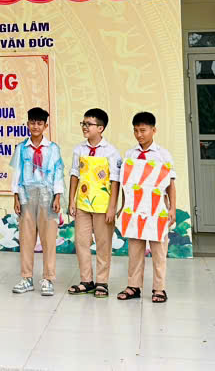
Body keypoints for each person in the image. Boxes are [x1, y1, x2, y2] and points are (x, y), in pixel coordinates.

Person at [118, 111, 176, 304]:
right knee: (135, 249)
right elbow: (126, 184)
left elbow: (171, 184)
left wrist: (172, 208)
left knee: (159, 251)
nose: (139, 135)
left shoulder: (163, 155)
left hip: (157, 208)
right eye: (136, 131)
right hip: (134, 209)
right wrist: (123, 206)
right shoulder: (130, 154)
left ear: (153, 130)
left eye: (143, 130)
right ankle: (133, 286)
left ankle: (159, 288)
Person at [11, 107, 65, 296]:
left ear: (45, 126)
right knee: (26, 238)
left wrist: (57, 196)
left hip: (47, 196)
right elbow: (16, 173)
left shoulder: (53, 149)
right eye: (32, 123)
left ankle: (48, 278)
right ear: (27, 124)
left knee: (49, 239)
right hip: (26, 196)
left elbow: (58, 173)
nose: (35, 126)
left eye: (39, 123)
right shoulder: (21, 148)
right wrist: (16, 197)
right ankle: (26, 278)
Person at [67, 108, 121, 298]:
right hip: (83, 204)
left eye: (88, 124)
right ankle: (86, 281)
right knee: (81, 242)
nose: (84, 127)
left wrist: (112, 207)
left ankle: (102, 282)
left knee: (103, 244)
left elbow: (115, 181)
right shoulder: (79, 150)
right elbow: (75, 175)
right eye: (83, 123)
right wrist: (72, 200)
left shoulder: (111, 152)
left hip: (103, 206)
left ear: (100, 128)